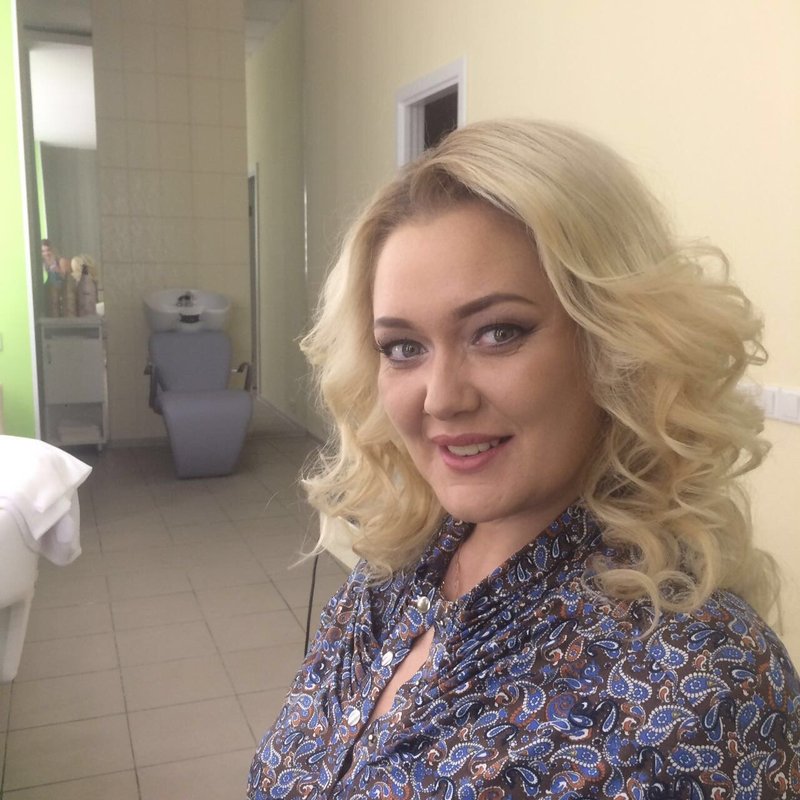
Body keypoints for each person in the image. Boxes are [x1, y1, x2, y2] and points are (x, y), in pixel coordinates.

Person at [248, 120, 800, 798]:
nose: (441, 399)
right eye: (403, 347)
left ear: (613, 345)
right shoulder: (394, 573)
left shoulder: (704, 688)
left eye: (497, 333)